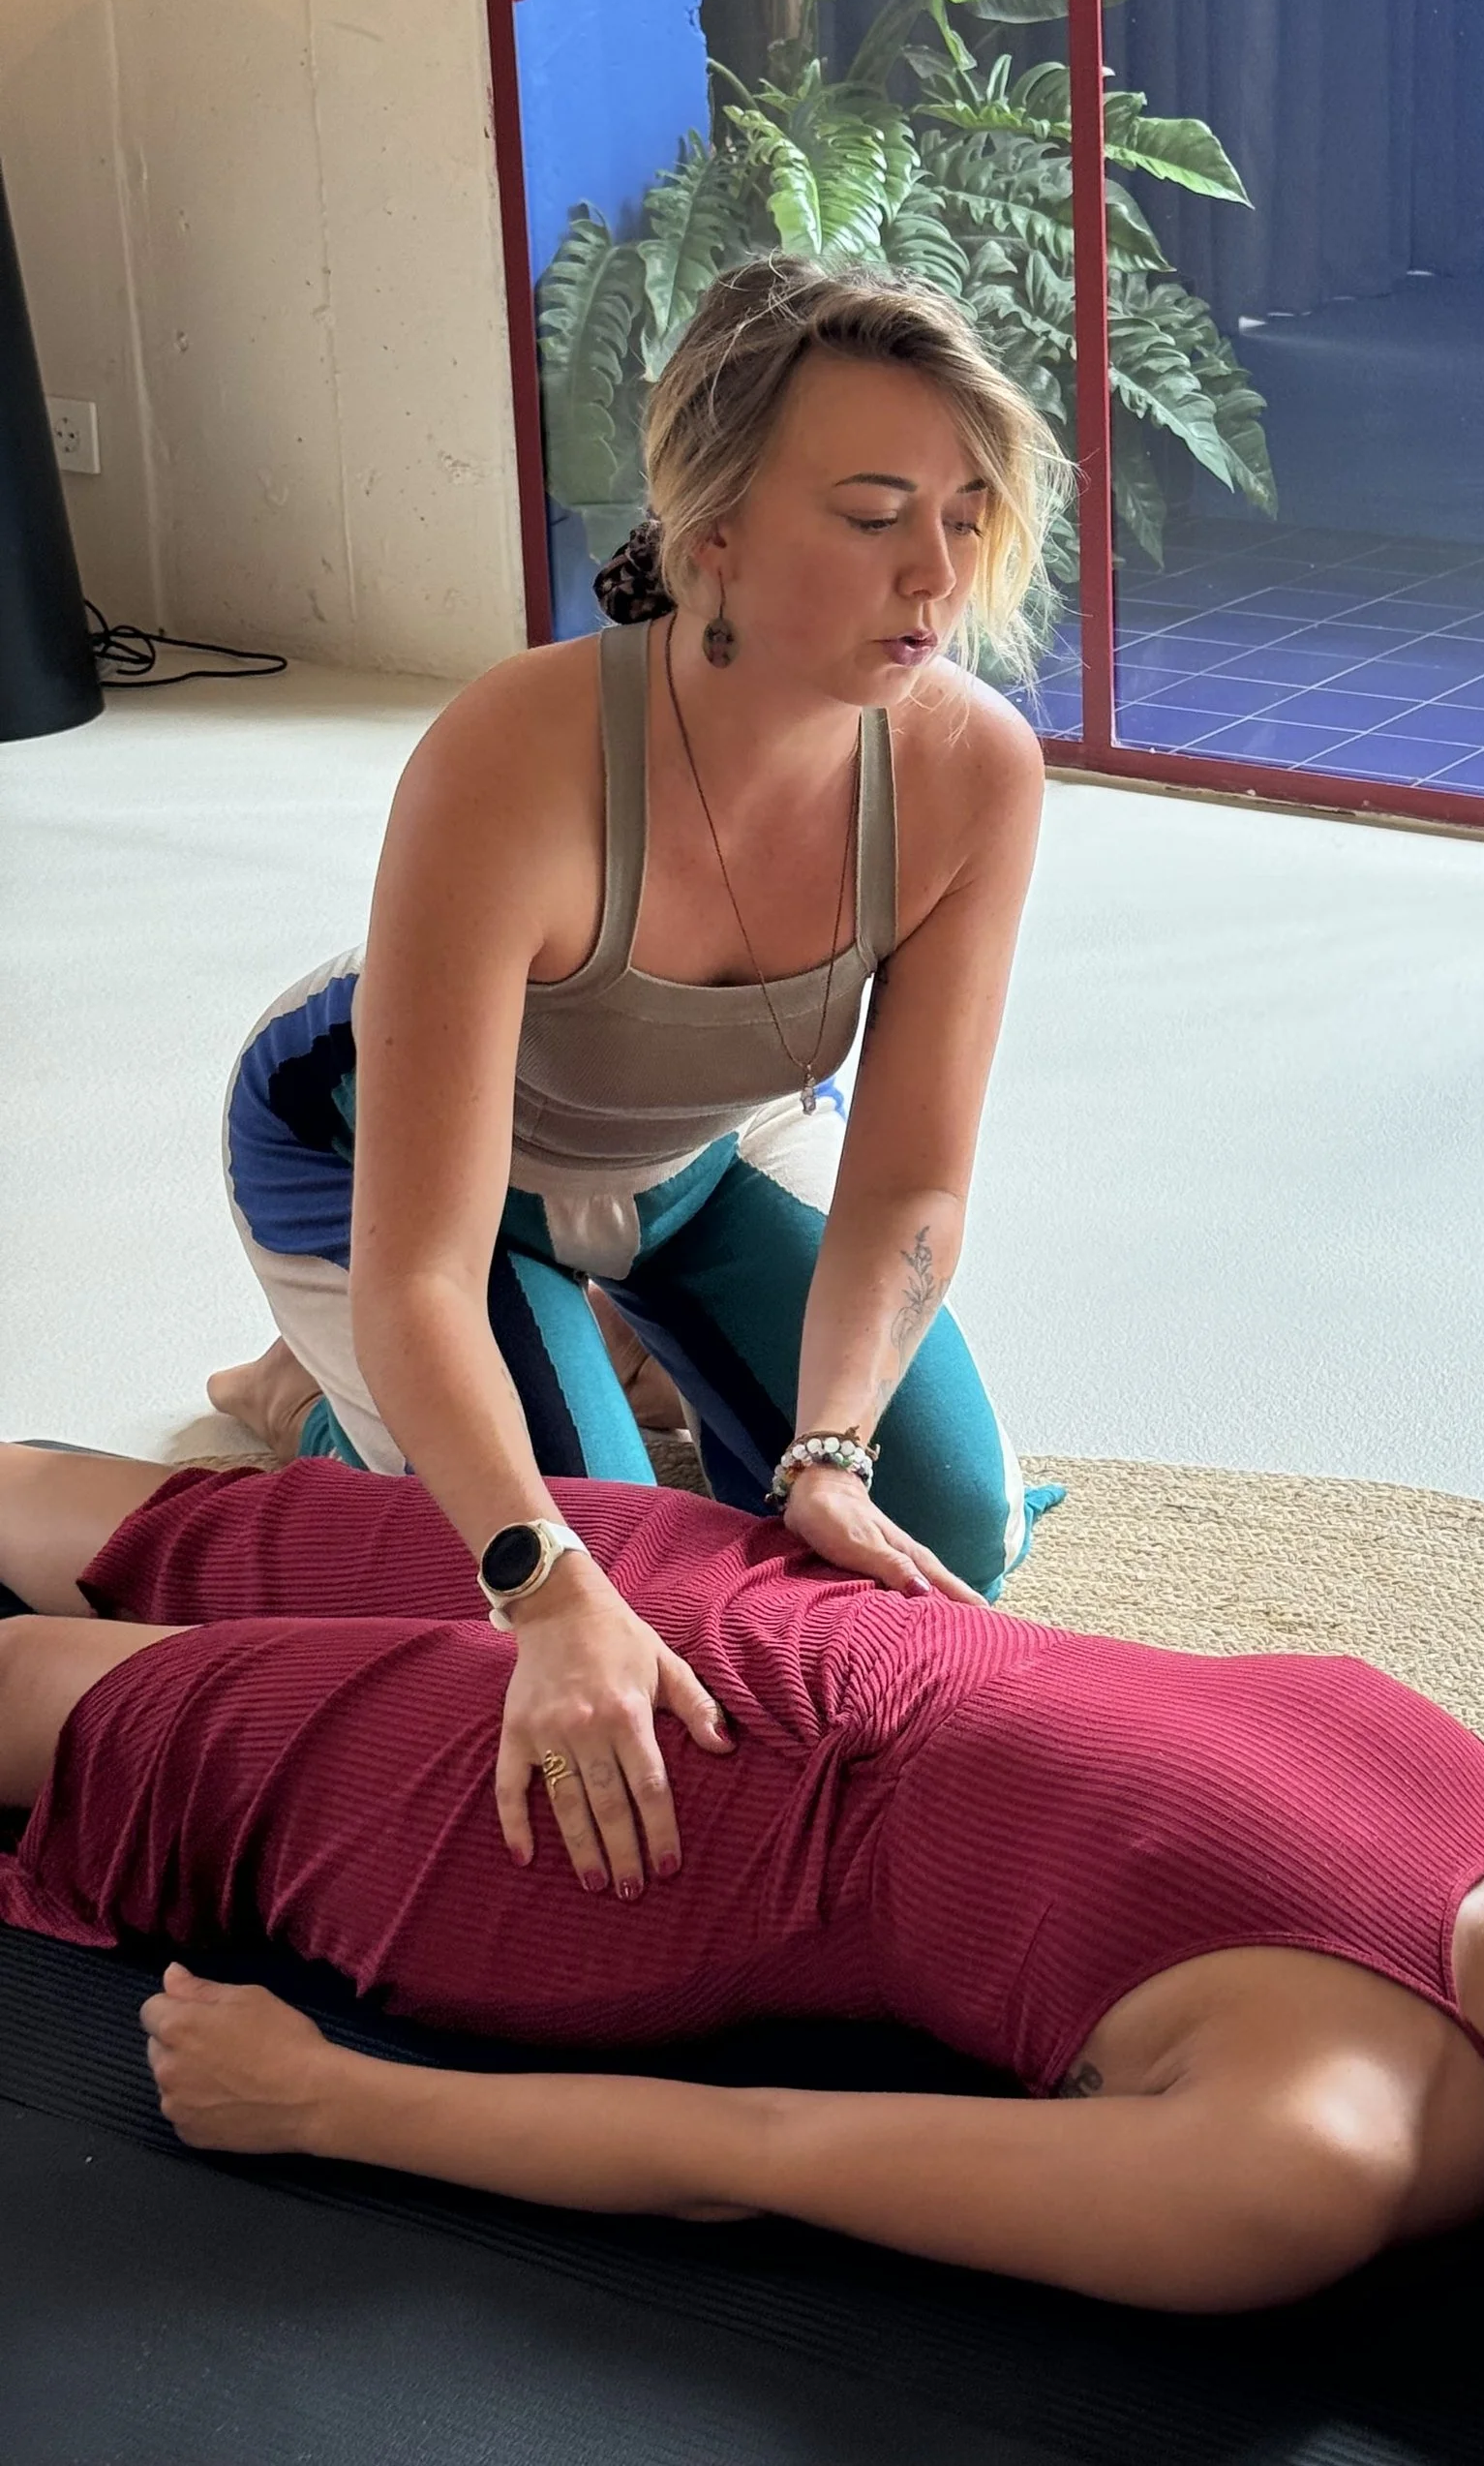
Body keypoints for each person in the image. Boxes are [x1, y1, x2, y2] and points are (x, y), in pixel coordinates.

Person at [0, 1446, 1484, 2465]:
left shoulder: (1322, 2148)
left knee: (43, 1703)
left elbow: (766, 2152)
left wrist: (341, 2105)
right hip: (691, 1602)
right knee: (102, 1506)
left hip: (597, 1832)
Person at [202, 261, 1072, 1901]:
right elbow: (420, 1265)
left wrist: (826, 1450)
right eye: (876, 510)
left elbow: (907, 1185)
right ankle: (310, 1402)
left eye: (965, 512)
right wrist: (536, 1575)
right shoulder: (512, 753)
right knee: (612, 1578)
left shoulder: (970, 770)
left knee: (948, 1532)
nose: (937, 572)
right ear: (712, 530)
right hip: (373, 1154)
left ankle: (613, 1342)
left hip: (677, 1148)